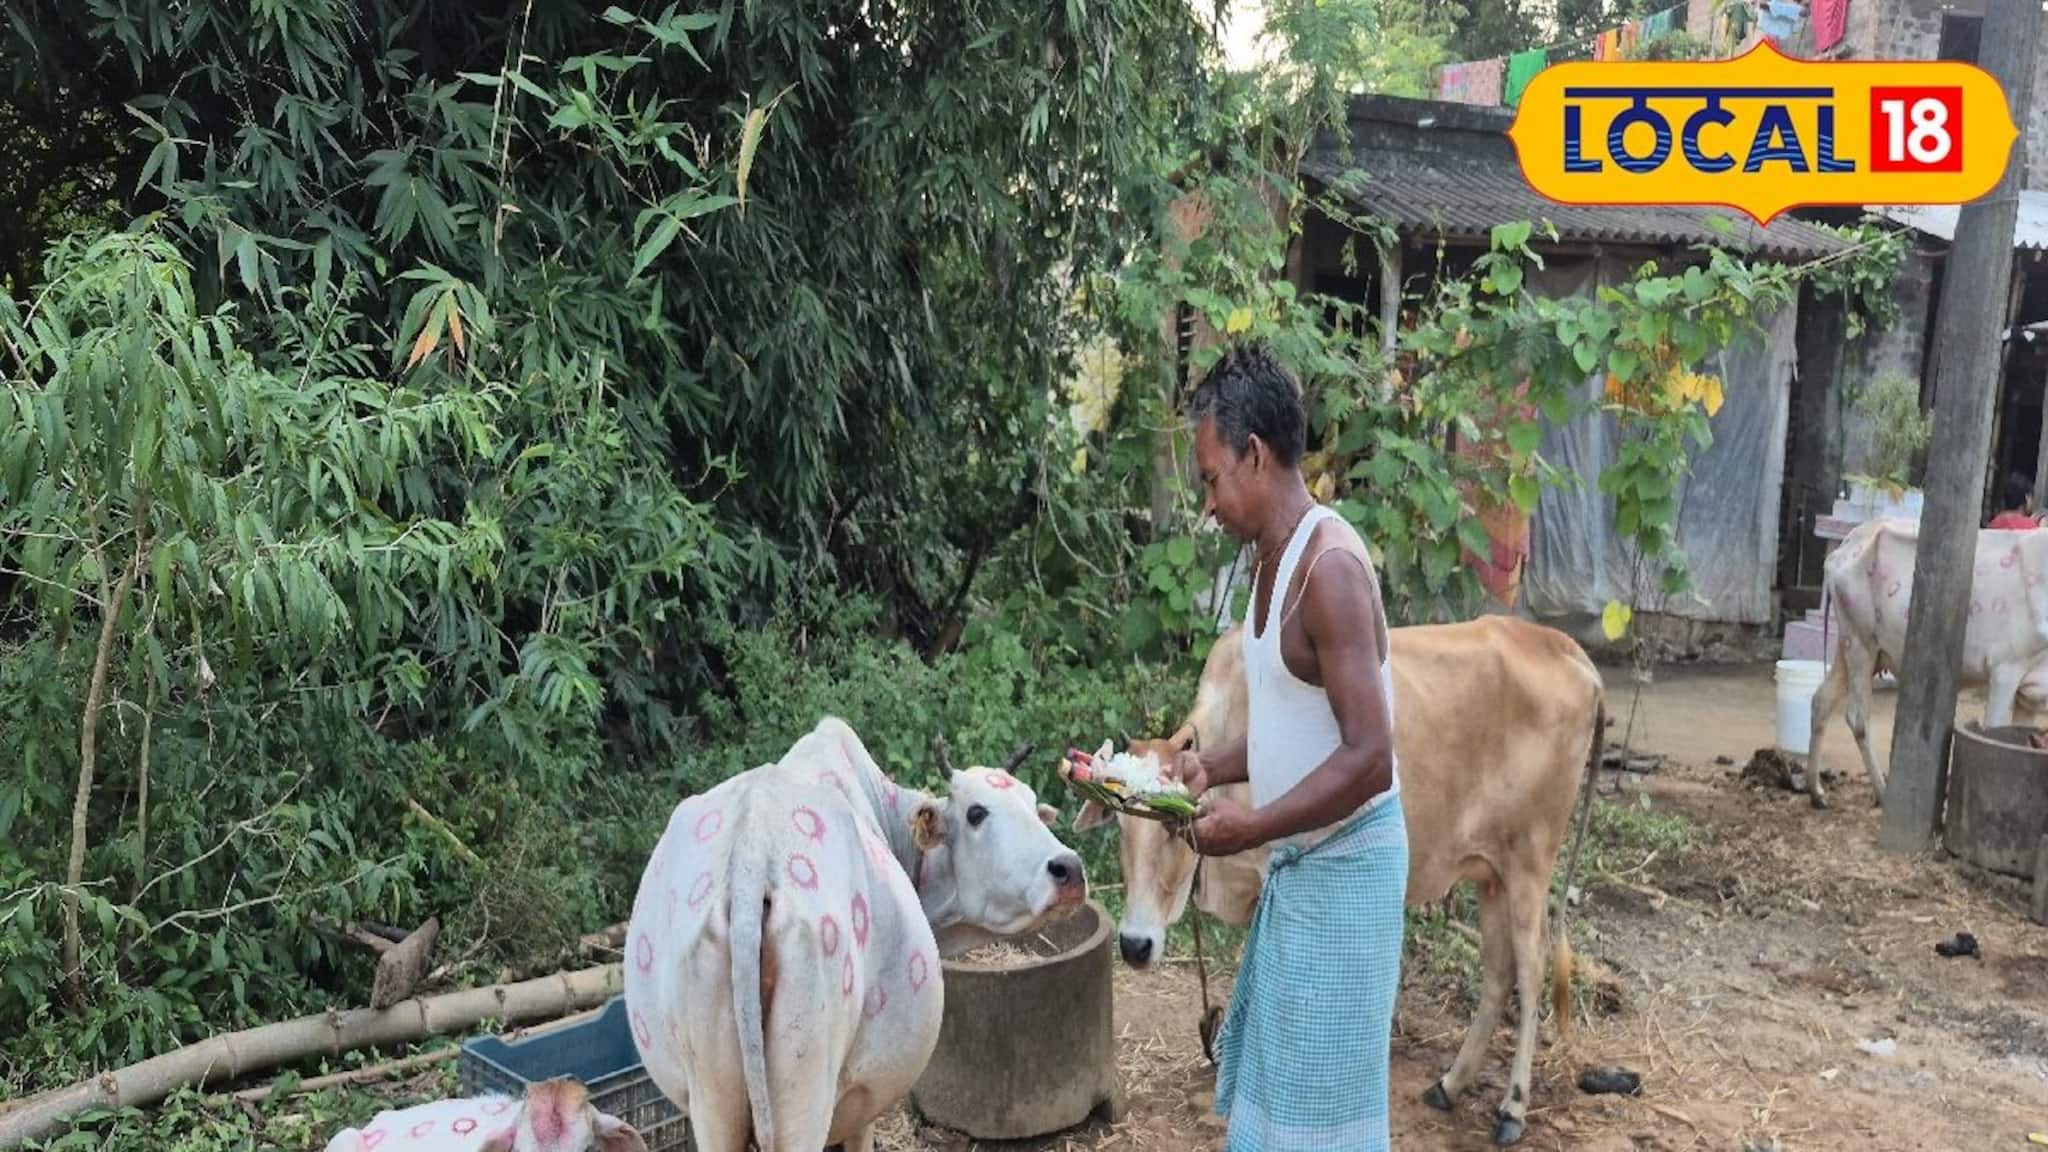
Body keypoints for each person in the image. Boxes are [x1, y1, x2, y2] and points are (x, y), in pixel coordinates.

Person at [1166, 342, 1406, 1152]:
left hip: (1346, 873)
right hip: (1304, 871)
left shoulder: (1329, 570)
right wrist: (1215, 767)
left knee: (1321, 1112)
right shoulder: (1271, 557)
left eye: (1210, 478)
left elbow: (1371, 755)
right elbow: (1297, 723)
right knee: (1280, 1092)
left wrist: (1254, 826)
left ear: (1256, 455)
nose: (1207, 504)